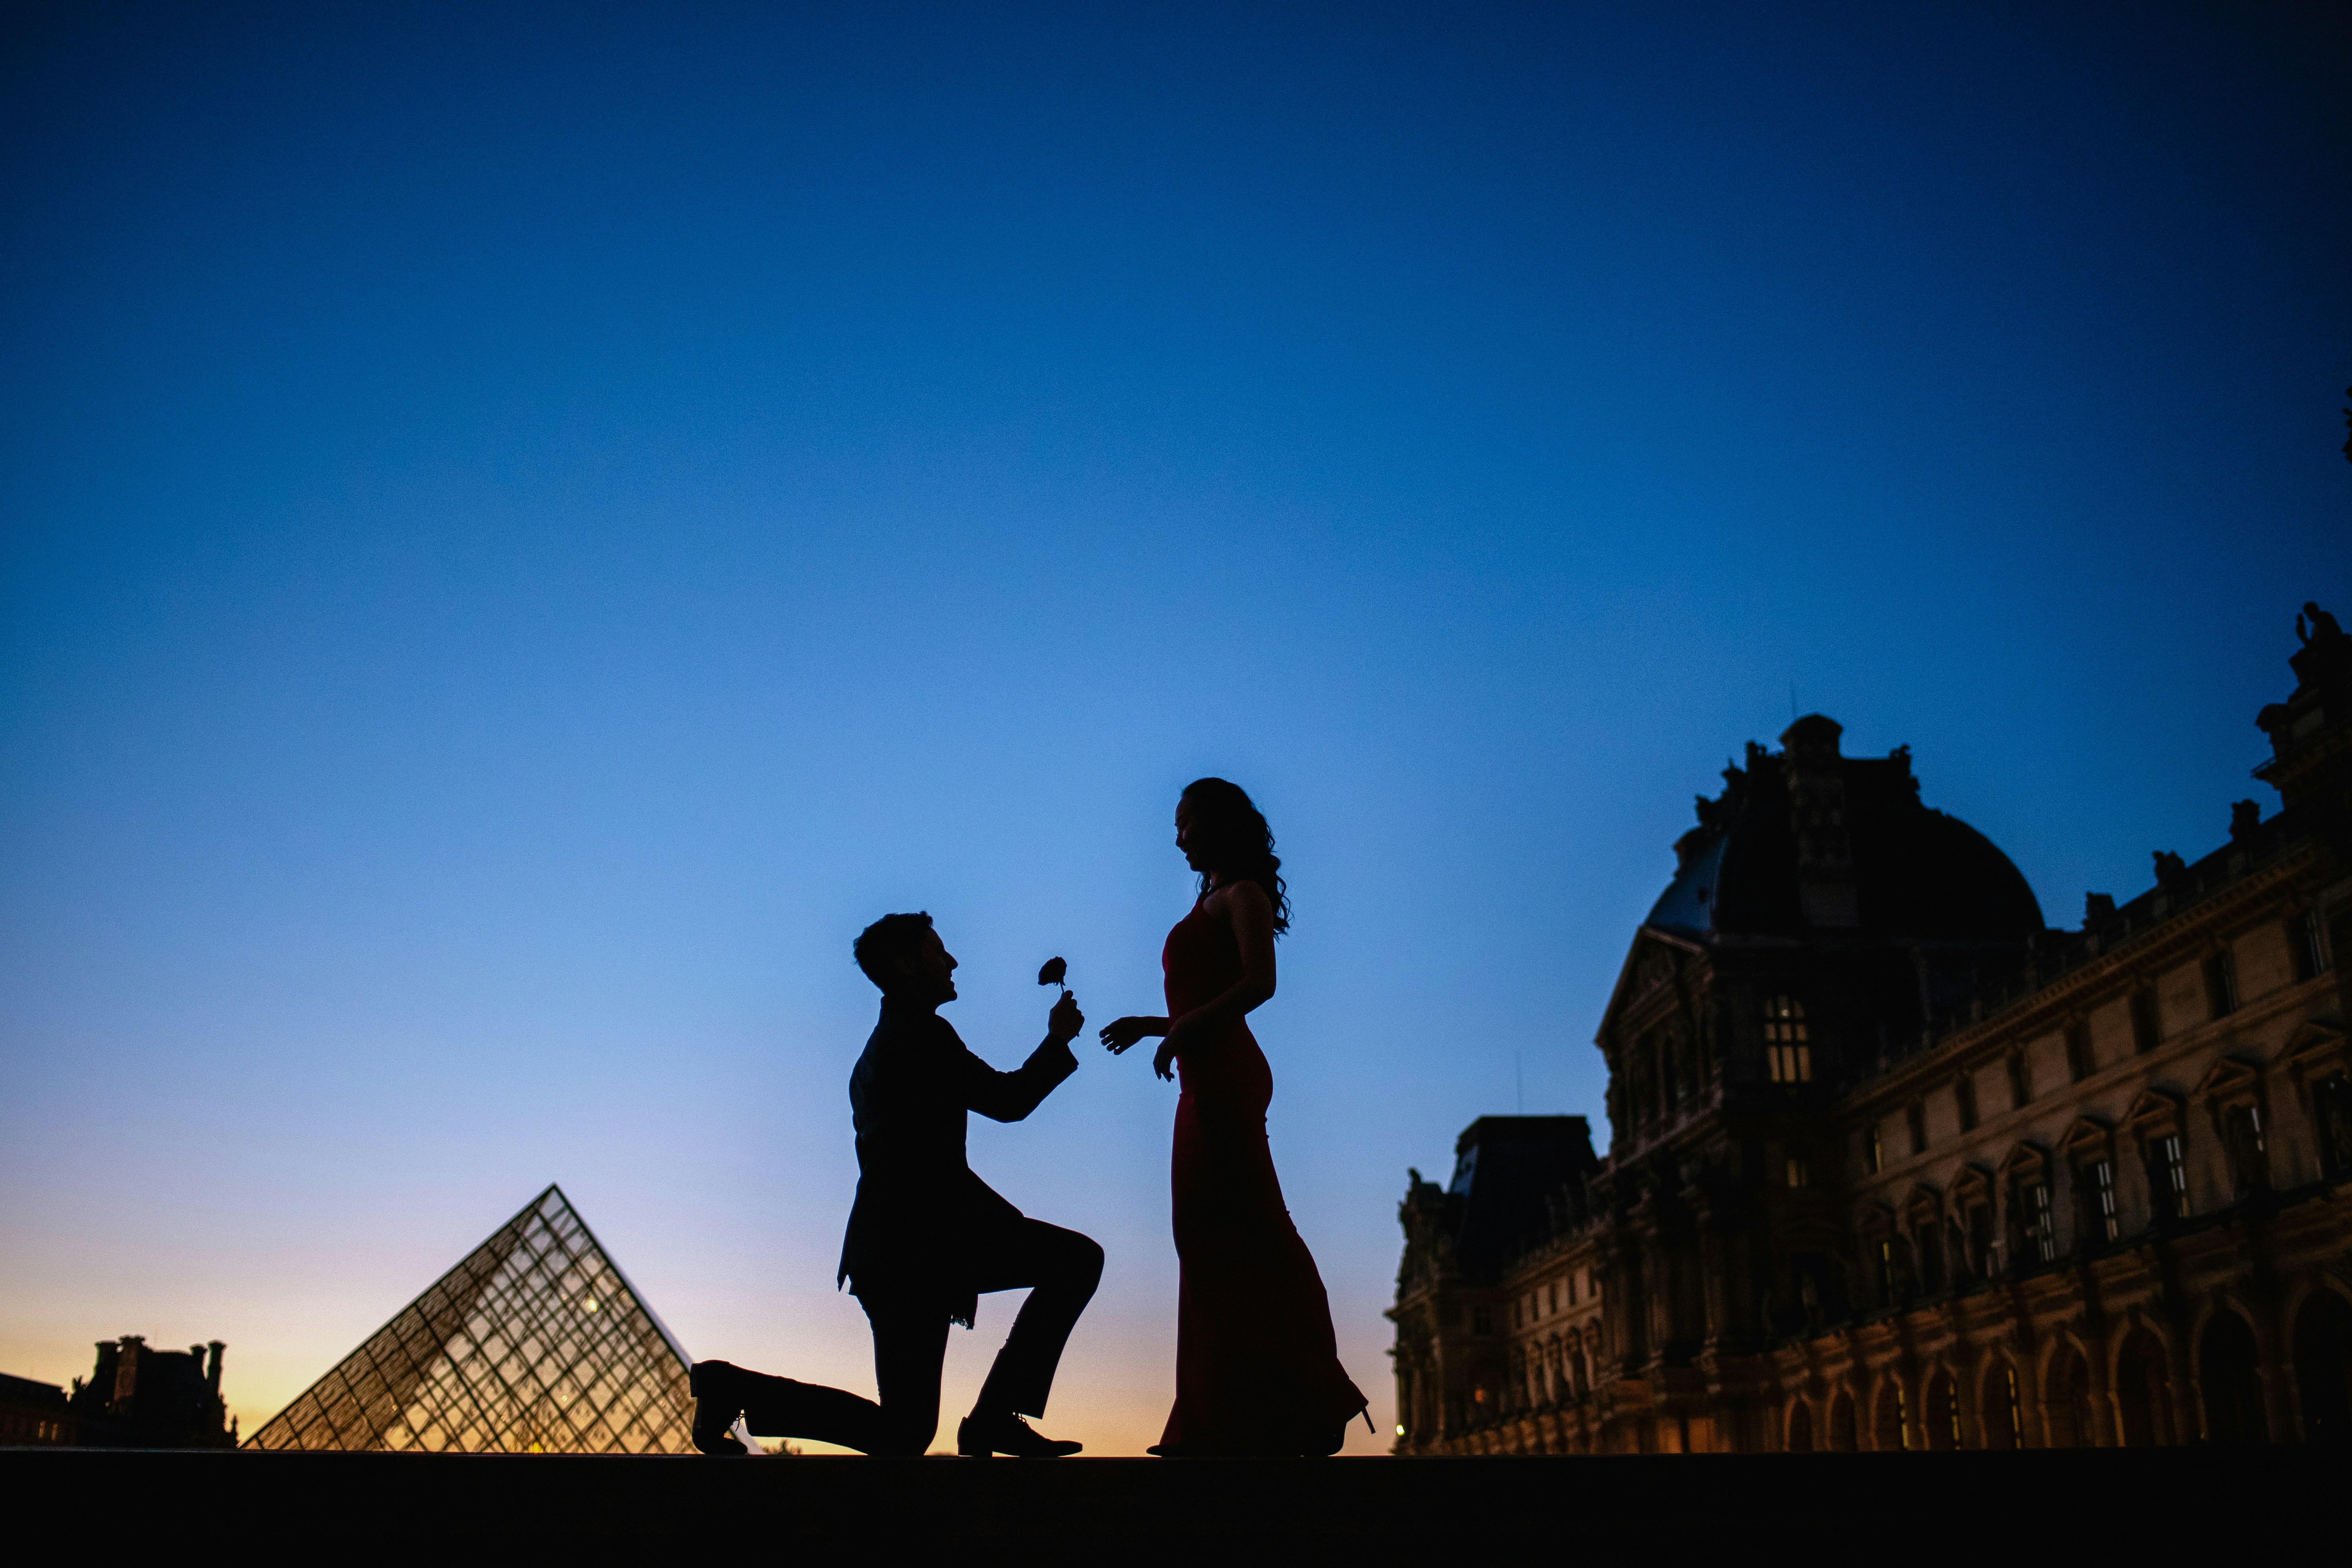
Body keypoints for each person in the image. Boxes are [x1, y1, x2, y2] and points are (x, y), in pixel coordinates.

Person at [689, 912, 1102, 1457]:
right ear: (907, 965)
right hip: (922, 1246)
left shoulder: (879, 1048)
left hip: (893, 1252)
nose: (952, 961)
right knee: (1076, 1261)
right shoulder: (922, 1035)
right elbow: (1009, 1101)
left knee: (906, 1432)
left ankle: (734, 1389)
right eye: (939, 952)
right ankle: (995, 1418)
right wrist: (1056, 1039)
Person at [1101, 779, 1368, 1455]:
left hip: (1224, 1080)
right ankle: (1241, 1411)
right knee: (1215, 1238)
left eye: (1187, 821)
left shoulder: (1242, 895)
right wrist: (1156, 1024)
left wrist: (1182, 1028)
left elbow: (1259, 985)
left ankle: (1293, 1400)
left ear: (1218, 825)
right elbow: (1211, 1001)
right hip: (1206, 1073)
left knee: (1249, 1231)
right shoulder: (1214, 899)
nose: (1178, 835)